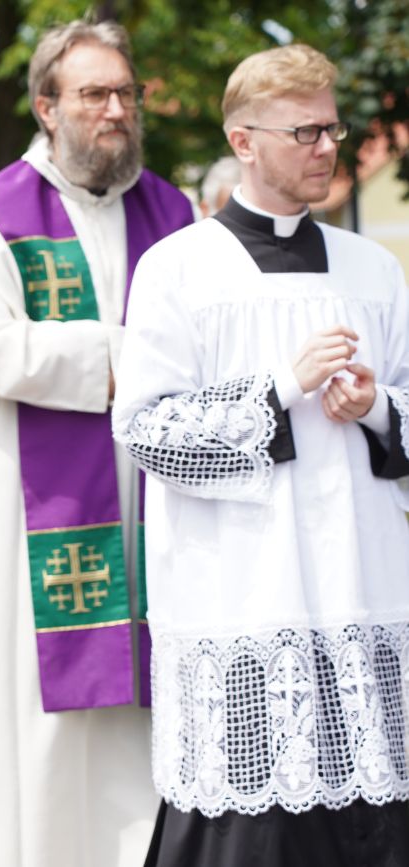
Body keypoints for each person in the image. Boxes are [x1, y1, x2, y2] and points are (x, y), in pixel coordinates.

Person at [0, 20, 195, 866]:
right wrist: (121, 357)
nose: (116, 110)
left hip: (155, 504)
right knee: (42, 718)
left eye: (126, 94)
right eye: (94, 93)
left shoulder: (172, 210)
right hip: (41, 510)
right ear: (46, 106)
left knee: (150, 703)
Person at [113, 44, 409, 866]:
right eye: (305, 131)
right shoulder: (178, 269)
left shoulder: (374, 268)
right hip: (245, 594)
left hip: (363, 586)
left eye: (333, 128)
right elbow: (145, 429)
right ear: (244, 141)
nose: (328, 148)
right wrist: (279, 386)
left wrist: (377, 408)